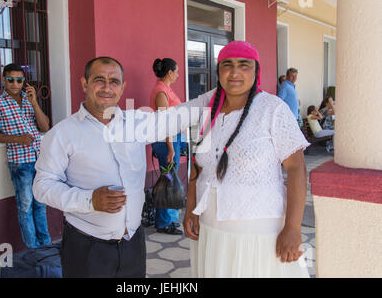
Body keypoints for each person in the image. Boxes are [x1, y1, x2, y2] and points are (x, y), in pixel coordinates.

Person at [32, 57, 214, 278]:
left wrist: (228, 85)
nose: (107, 88)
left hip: (132, 243)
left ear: (122, 87)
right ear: (84, 84)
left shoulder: (136, 122)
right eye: (99, 80)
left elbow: (182, 115)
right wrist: (89, 199)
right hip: (87, 246)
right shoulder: (62, 134)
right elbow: (42, 186)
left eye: (114, 81)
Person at [183, 41, 311, 278]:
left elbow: (296, 169)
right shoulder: (206, 113)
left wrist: (293, 227)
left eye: (244, 65)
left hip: (258, 232)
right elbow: (198, 166)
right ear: (218, 71)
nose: (235, 73)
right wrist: (191, 208)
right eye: (227, 65)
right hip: (211, 228)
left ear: (256, 71)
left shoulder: (273, 109)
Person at [0, 63, 51, 249]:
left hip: (39, 159)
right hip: (20, 162)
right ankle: (33, 249)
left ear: (24, 82)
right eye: (11, 79)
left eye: (19, 80)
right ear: (3, 80)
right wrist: (16, 139)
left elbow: (45, 127)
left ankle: (45, 246)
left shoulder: (29, 100)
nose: (15, 83)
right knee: (26, 206)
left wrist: (35, 102)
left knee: (41, 203)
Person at [150, 58, 184, 235]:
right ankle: (164, 222)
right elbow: (164, 123)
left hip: (173, 139)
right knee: (168, 179)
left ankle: (168, 219)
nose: (178, 75)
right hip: (166, 141)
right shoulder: (161, 91)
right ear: (170, 72)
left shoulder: (166, 89)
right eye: (177, 71)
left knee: (170, 177)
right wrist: (171, 147)